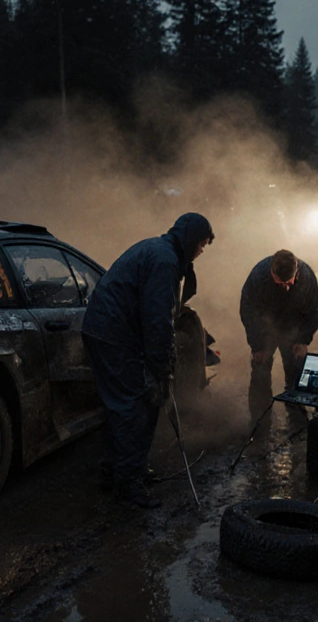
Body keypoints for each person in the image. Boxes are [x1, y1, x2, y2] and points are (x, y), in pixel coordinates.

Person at [82, 212, 214, 509]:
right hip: (112, 335)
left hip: (110, 330)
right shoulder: (165, 262)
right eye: (202, 244)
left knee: (129, 403)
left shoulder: (159, 249)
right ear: (190, 239)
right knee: (133, 404)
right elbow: (158, 320)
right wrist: (161, 369)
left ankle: (124, 469)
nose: (202, 251)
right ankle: (127, 485)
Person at [239, 250, 318, 415]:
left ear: (296, 271)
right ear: (272, 272)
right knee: (260, 372)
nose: (285, 287)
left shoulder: (306, 277)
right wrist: (257, 346)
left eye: (289, 283)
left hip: (293, 329)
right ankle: (260, 416)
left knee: (296, 370)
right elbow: (248, 312)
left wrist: (303, 340)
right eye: (280, 283)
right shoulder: (258, 277)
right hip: (265, 330)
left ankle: (297, 413)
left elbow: (314, 309)